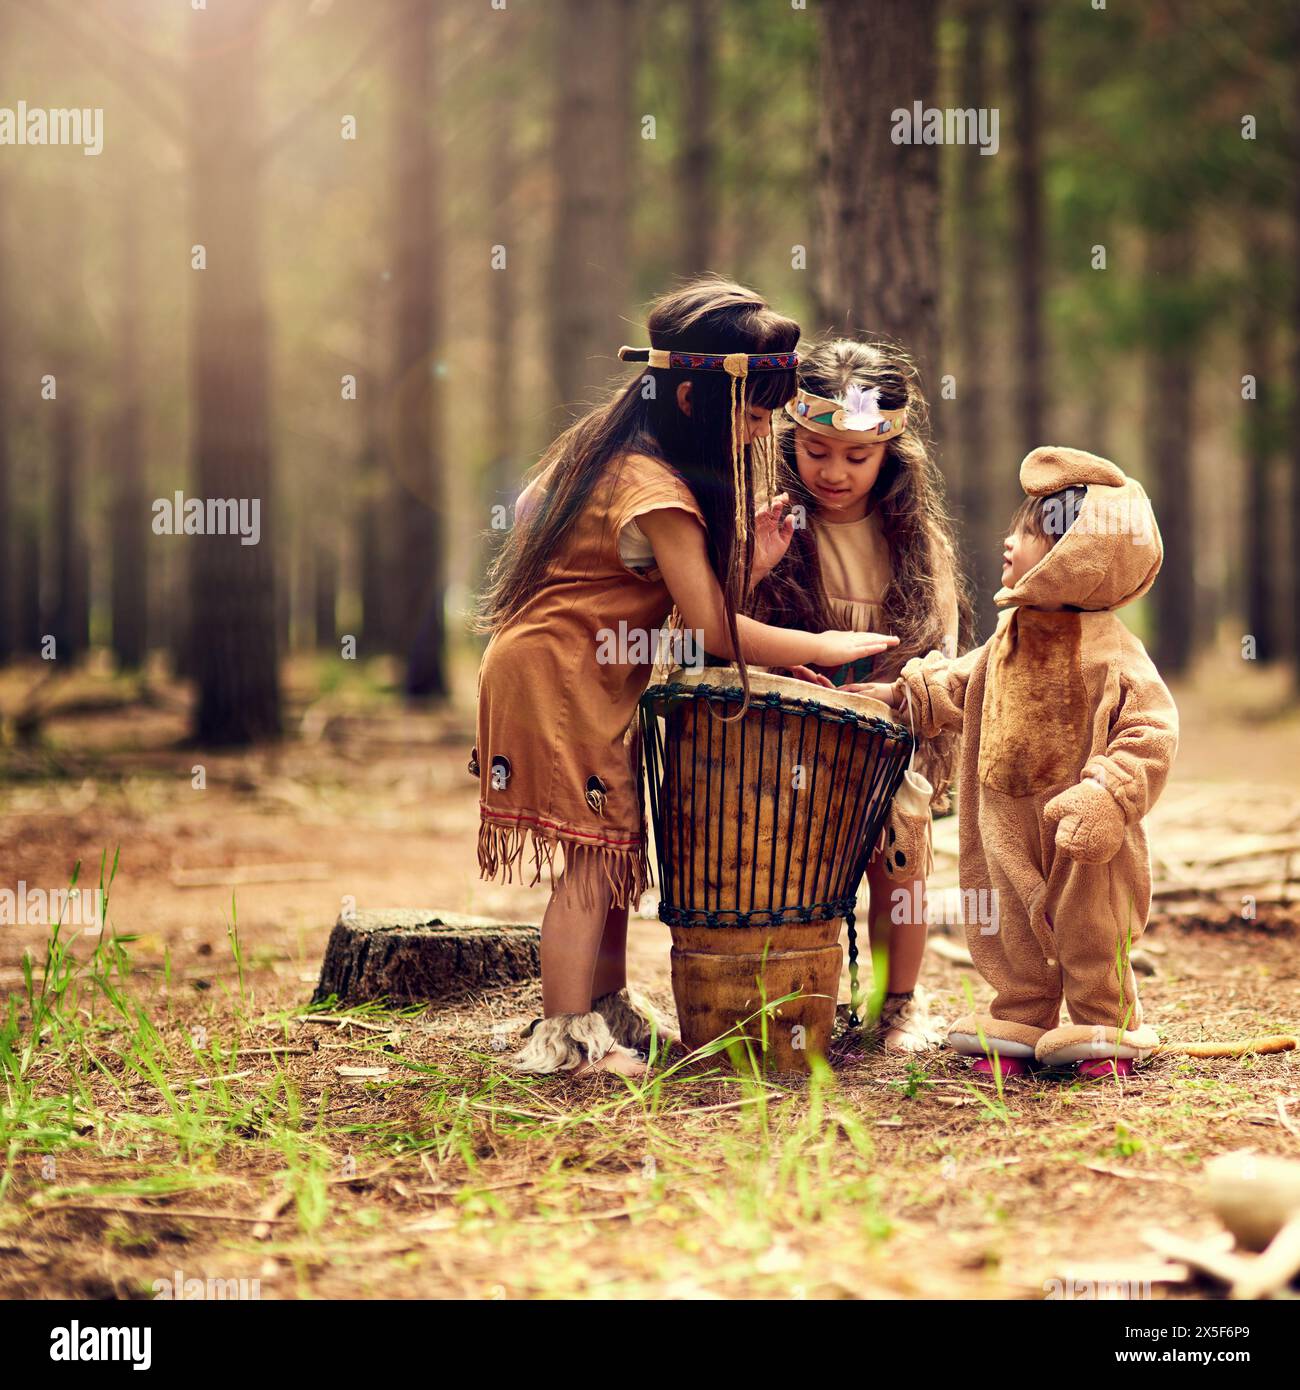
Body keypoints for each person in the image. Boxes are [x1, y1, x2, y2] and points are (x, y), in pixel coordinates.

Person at [472, 278, 898, 1077]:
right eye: (753, 414)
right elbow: (710, 631)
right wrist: (830, 645)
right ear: (700, 401)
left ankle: (603, 1006)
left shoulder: (606, 447)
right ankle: (563, 1037)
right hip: (559, 673)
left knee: (611, 845)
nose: (761, 432)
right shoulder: (656, 489)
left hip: (573, 668)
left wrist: (750, 563)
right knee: (591, 859)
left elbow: (591, 552)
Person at [860, 446, 1178, 1079]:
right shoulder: (1012, 635)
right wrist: (904, 694)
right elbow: (964, 681)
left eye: (1028, 534)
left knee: (1092, 921)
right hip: (1004, 817)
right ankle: (1024, 1013)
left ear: (1078, 556)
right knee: (1008, 922)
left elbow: (1152, 730)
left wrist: (1109, 794)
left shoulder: (1112, 651)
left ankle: (1104, 1023)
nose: (1009, 543)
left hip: (1083, 826)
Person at [751, 337, 968, 1051]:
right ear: (792, 440)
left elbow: (935, 650)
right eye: (816, 451)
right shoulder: (767, 520)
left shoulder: (912, 539)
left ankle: (896, 1003)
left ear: (890, 455)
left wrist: (886, 695)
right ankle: (781, 1001)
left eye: (856, 457)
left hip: (888, 728)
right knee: (781, 860)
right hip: (781, 729)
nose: (834, 472)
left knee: (897, 857)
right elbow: (725, 624)